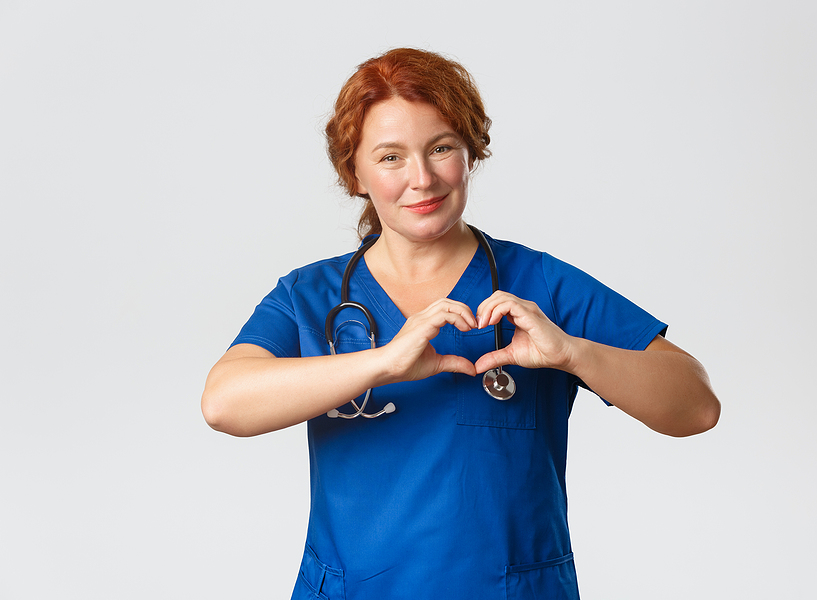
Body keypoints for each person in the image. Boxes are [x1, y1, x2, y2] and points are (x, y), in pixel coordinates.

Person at [201, 47, 719, 599]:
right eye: (390, 157)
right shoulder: (311, 297)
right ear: (354, 174)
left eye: (441, 148)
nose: (421, 179)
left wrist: (572, 353)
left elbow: (696, 405)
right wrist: (383, 362)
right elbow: (224, 403)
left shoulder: (539, 284)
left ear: (471, 154)